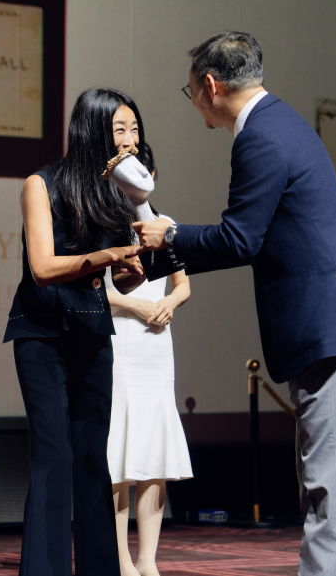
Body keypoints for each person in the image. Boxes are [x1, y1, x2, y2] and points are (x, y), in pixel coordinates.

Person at [133, 31, 336, 576]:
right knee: (325, 490)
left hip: (333, 329)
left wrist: (168, 236)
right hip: (333, 328)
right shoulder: (278, 122)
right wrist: (157, 260)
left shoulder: (260, 136)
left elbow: (239, 239)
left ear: (210, 85)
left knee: (328, 494)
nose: (193, 100)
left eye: (189, 90)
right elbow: (254, 240)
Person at [6, 87, 146, 576]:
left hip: (92, 330)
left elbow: (125, 278)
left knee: (92, 457)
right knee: (54, 455)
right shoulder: (40, 184)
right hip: (41, 333)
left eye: (134, 130)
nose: (130, 140)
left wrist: (134, 264)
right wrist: (107, 256)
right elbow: (42, 268)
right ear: (92, 131)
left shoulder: (119, 193)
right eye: (120, 129)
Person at [103, 142, 192, 576]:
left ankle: (148, 561)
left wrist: (169, 303)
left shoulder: (164, 225)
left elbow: (183, 285)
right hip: (120, 342)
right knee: (119, 454)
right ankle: (121, 558)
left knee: (154, 457)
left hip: (156, 346)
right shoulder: (103, 225)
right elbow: (95, 291)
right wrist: (135, 305)